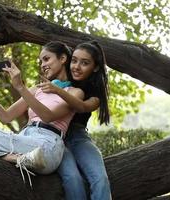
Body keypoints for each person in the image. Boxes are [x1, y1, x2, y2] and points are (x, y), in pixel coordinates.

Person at [0, 41, 83, 187]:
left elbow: (48, 116)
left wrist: (20, 87)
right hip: (24, 139)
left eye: (46, 59)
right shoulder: (36, 89)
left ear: (62, 59)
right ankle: (13, 158)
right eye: (40, 61)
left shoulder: (74, 92)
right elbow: (5, 117)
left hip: (46, 147)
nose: (42, 65)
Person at [38, 41, 111, 199]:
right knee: (73, 179)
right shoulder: (59, 80)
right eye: (74, 60)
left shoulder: (94, 91)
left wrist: (58, 91)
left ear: (96, 67)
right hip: (54, 138)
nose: (76, 66)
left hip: (78, 137)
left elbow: (82, 107)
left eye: (85, 63)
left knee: (100, 178)